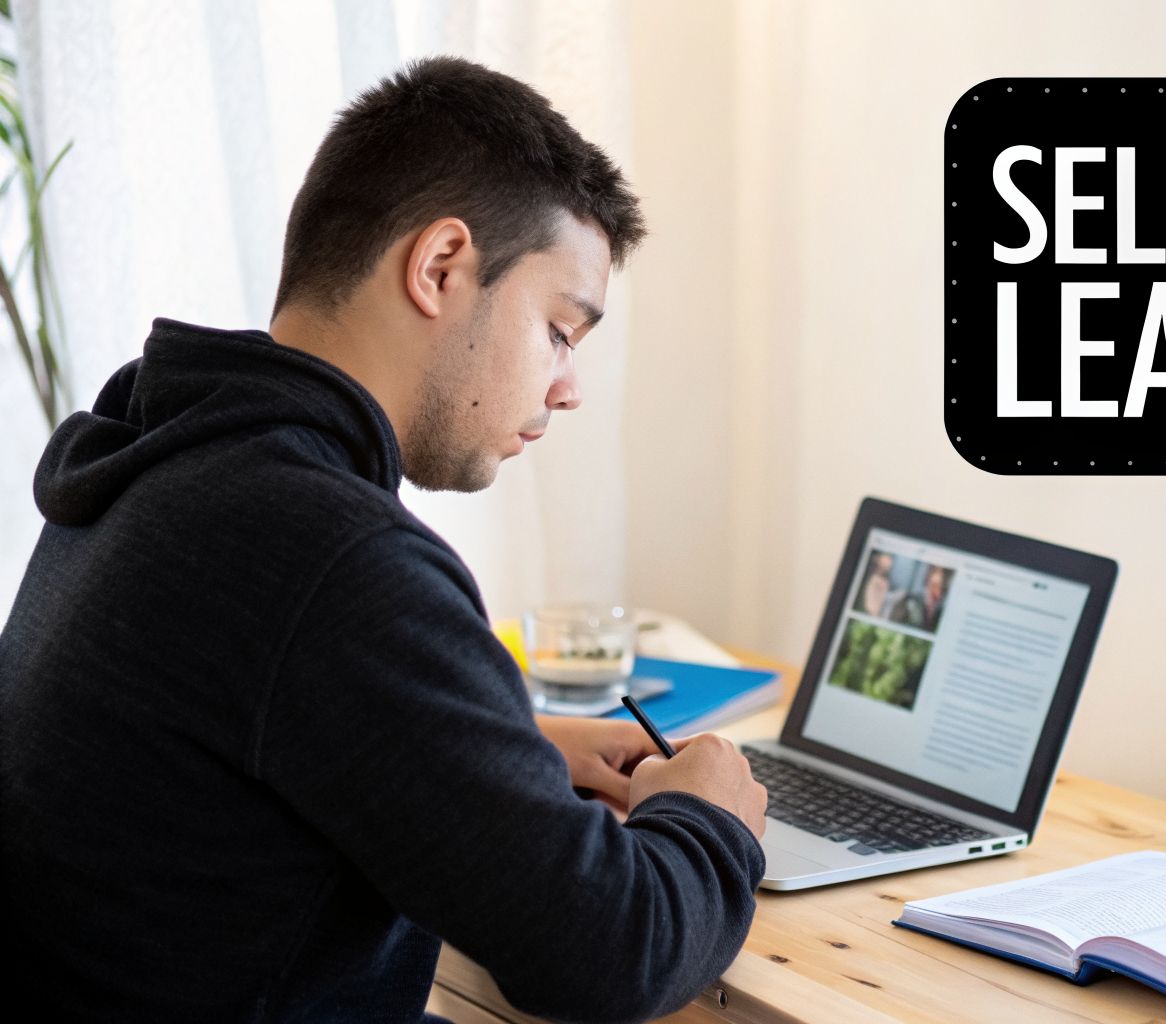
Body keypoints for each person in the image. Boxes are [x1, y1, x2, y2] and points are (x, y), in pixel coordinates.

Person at [0, 56, 767, 1024]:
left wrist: (495, 748)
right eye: (561, 330)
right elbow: (608, 953)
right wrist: (708, 815)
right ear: (440, 265)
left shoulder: (161, 461)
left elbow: (240, 741)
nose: (569, 387)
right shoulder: (327, 554)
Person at [889, 565, 952, 632]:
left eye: (942, 588)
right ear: (928, 580)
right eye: (935, 586)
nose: (938, 592)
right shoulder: (909, 602)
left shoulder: (941, 614)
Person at [853, 550, 894, 616]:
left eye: (888, 567)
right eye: (886, 566)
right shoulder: (876, 580)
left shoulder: (880, 579)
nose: (888, 568)